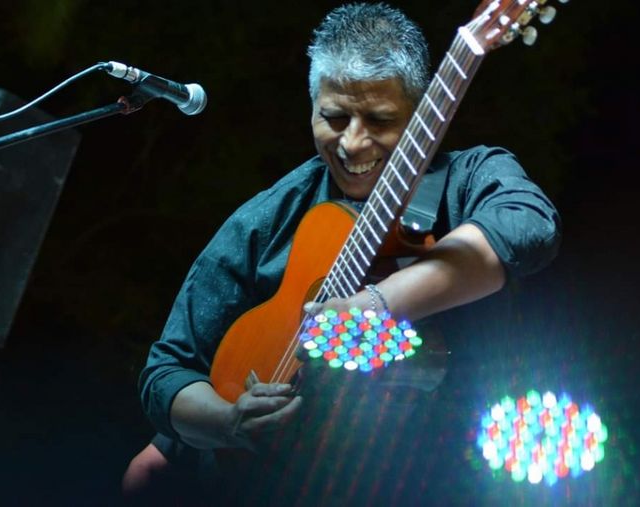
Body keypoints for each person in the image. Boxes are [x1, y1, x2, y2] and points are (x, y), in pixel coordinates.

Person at [123, 3, 561, 505]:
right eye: (334, 117)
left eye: (380, 119)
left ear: (421, 114)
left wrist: (374, 307)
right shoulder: (270, 216)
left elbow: (529, 226)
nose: (352, 143)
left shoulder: (470, 177)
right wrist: (229, 422)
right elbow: (169, 369)